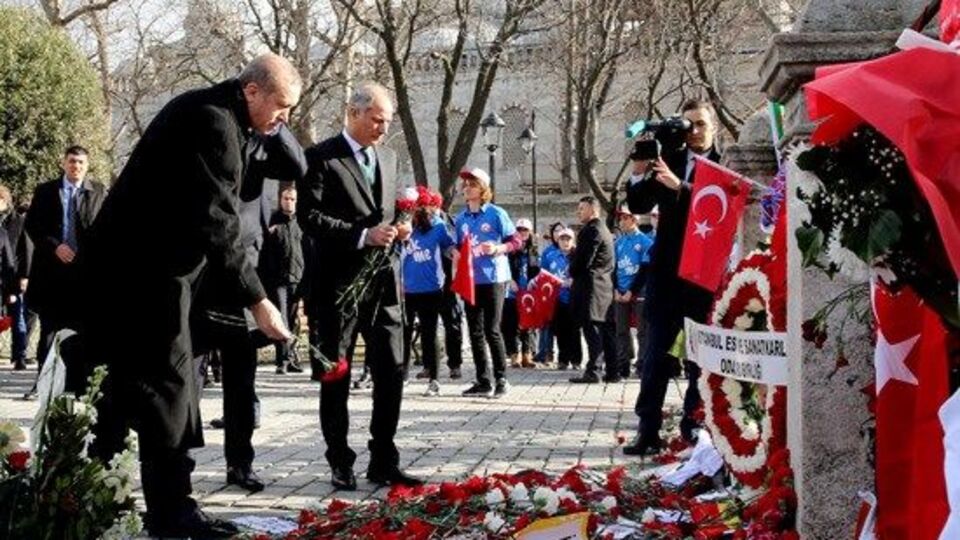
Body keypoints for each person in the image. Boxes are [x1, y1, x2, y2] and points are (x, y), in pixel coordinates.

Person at [83, 53, 297, 538]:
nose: (285, 117)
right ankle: (169, 511)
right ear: (251, 91)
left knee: (132, 392)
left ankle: (103, 499)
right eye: (281, 105)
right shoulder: (215, 123)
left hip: (146, 277)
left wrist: (276, 122)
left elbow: (291, 161)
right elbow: (218, 222)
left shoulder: (218, 111)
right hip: (143, 279)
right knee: (168, 389)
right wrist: (259, 300)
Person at [298, 81, 421, 491]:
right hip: (337, 287)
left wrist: (400, 230)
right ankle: (340, 460)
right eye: (377, 120)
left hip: (384, 285)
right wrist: (361, 235)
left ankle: (384, 458)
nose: (383, 130)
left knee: (392, 369)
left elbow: (385, 213)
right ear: (353, 112)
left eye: (388, 122)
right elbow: (309, 217)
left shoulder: (387, 157)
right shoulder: (320, 158)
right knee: (337, 374)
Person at [192, 123, 307, 494]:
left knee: (241, 381)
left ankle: (240, 463)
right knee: (189, 378)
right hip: (203, 273)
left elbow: (296, 165)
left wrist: (277, 124)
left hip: (246, 276)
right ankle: (179, 461)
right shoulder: (215, 135)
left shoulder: (263, 146)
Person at [624, 98, 722, 455]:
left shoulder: (726, 164)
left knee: (699, 359)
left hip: (704, 279)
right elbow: (637, 205)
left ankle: (694, 427)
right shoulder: (671, 158)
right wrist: (639, 168)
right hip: (666, 274)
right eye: (687, 125)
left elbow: (722, 203)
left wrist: (680, 186)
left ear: (713, 126)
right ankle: (647, 429)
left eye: (700, 124)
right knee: (655, 356)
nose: (693, 132)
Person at [23, 146, 106, 398]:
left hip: (83, 276)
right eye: (72, 161)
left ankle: (78, 384)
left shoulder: (98, 191)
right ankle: (44, 383)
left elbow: (104, 227)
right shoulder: (47, 191)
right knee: (49, 331)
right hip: (52, 274)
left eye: (81, 162)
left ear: (87, 165)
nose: (76, 166)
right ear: (64, 163)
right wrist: (55, 246)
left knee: (82, 331)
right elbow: (33, 225)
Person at [454, 168, 520, 398]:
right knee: (474, 331)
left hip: (494, 277)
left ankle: (501, 378)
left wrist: (499, 248)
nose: (467, 187)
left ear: (483, 188)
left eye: (472, 183)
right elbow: (455, 245)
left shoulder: (496, 213)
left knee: (492, 329)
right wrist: (455, 253)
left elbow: (516, 240)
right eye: (465, 183)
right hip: (470, 280)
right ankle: (483, 380)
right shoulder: (461, 218)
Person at [401, 189, 454, 396]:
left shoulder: (438, 227)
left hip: (431, 288)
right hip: (407, 289)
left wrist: (457, 254)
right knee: (403, 333)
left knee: (429, 333)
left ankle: (434, 379)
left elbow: (449, 248)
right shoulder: (405, 228)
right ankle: (402, 375)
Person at [568, 197, 618, 384]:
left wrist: (572, 262)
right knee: (605, 331)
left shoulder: (591, 230)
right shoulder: (604, 229)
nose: (578, 212)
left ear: (593, 210)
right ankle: (612, 371)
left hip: (592, 288)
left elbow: (583, 261)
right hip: (603, 286)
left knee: (593, 331)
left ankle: (594, 370)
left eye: (582, 208)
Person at [261, 183, 306, 374]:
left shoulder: (301, 223)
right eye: (286, 199)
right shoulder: (272, 222)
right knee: (281, 320)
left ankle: (291, 357)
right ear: (280, 201)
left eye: (293, 200)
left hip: (297, 278)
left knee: (293, 320)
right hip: (277, 280)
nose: (289, 203)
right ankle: (282, 360)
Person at [612, 206, 654, 378]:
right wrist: (615, 288)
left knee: (642, 331)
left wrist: (632, 290)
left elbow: (645, 270)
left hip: (639, 292)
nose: (621, 221)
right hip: (620, 292)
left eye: (625, 218)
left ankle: (642, 365)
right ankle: (623, 364)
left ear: (634, 220)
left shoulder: (645, 242)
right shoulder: (618, 243)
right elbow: (612, 268)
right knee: (621, 330)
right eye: (620, 218)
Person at [1, 188, 33, 371]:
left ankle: (19, 355)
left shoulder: (19, 222)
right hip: (1, 275)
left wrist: (25, 276)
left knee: (18, 316)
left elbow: (27, 250)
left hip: (14, 274)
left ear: (5, 201)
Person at [503, 217, 539, 369]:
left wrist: (534, 280)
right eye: (519, 229)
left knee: (528, 325)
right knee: (512, 325)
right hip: (512, 293)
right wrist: (510, 280)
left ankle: (527, 354)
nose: (522, 232)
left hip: (528, 293)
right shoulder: (510, 249)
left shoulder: (534, 250)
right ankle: (513, 355)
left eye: (525, 230)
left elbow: (538, 269)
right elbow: (503, 265)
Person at [543, 227, 580, 370]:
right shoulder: (550, 256)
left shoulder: (577, 255)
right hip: (557, 298)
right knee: (560, 330)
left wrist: (574, 281)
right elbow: (544, 274)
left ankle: (576, 359)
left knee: (574, 330)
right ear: (558, 241)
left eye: (568, 239)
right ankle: (563, 359)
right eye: (562, 239)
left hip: (573, 297)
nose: (565, 242)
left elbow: (584, 273)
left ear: (573, 240)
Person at [534, 222, 565, 366]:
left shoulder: (571, 251)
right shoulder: (548, 252)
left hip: (566, 296)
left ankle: (566, 356)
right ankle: (546, 352)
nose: (558, 234)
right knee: (546, 325)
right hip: (550, 294)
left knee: (563, 328)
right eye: (555, 231)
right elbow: (543, 273)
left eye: (561, 231)